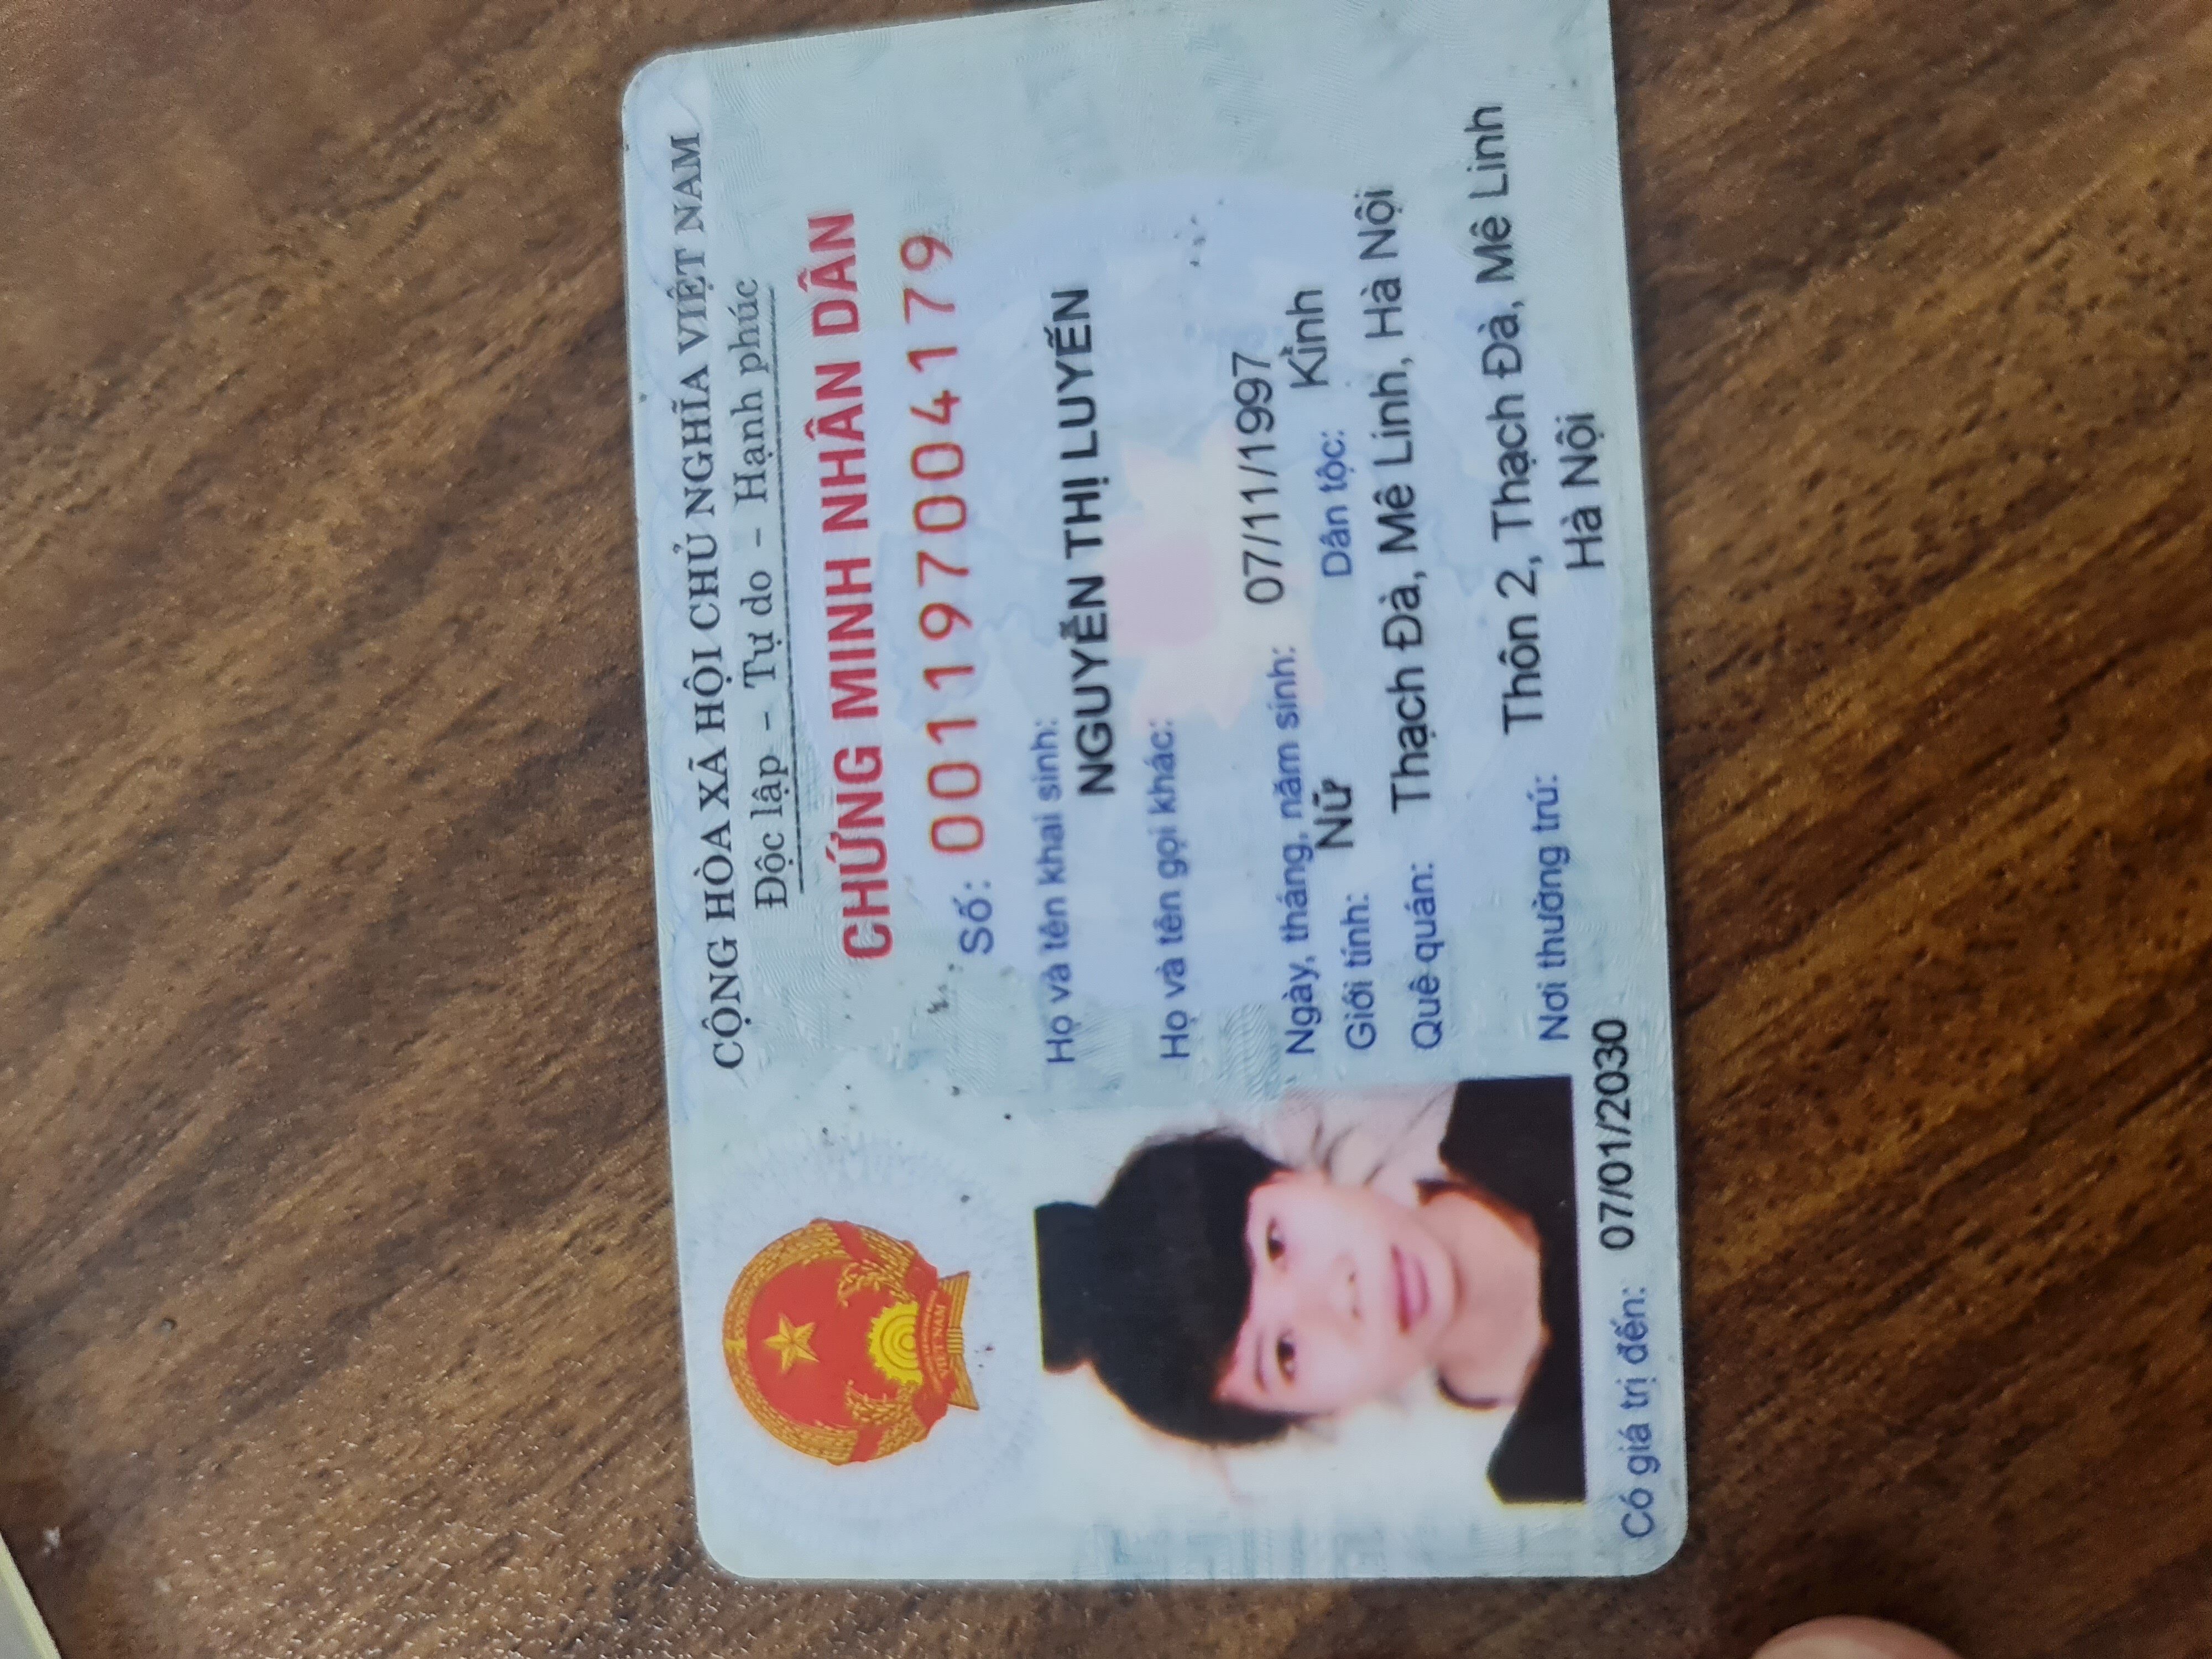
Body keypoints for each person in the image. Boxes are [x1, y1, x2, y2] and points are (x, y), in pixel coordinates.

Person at [1035, 1076, 1583, 1502]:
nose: (1341, 1299)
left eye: (1276, 1243)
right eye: (1285, 1354)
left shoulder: (1529, 1092)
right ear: (1319, 1412)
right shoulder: (1542, 1483)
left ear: (1291, 1176)